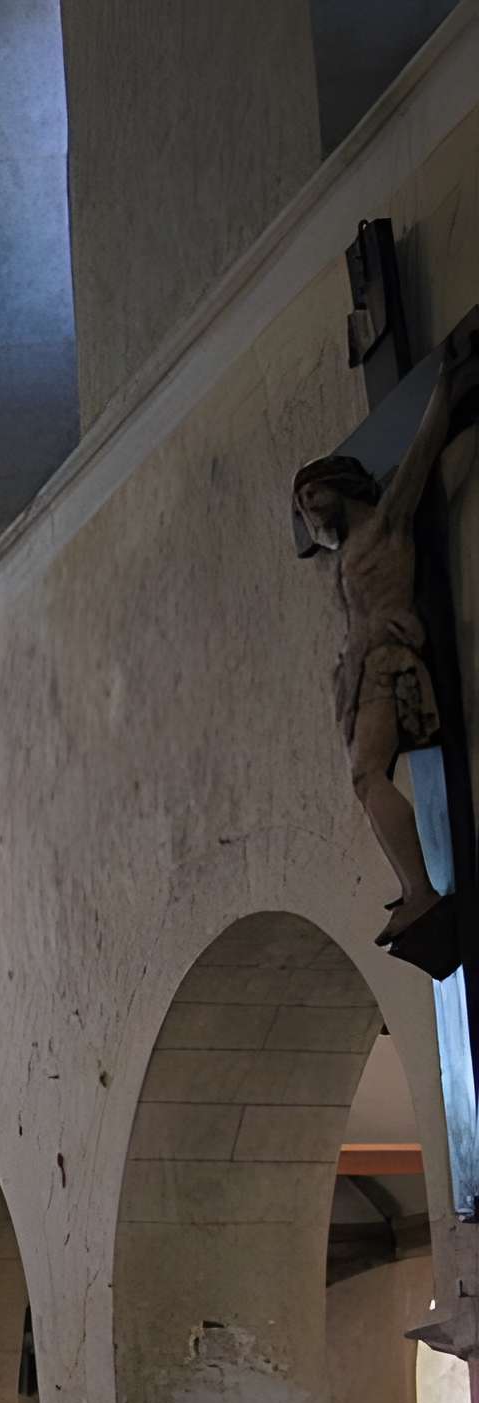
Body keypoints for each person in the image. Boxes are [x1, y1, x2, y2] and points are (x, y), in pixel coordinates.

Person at [294, 331, 478, 950]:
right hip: (361, 672)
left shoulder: (388, 522)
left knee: (368, 775)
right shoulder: (344, 554)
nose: (306, 508)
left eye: (311, 492)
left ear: (341, 486)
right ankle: (413, 885)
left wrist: (445, 388)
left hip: (388, 663)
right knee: (364, 777)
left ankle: (421, 891)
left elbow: (425, 453)